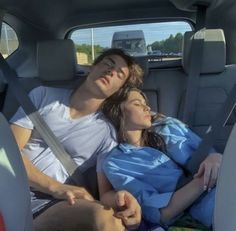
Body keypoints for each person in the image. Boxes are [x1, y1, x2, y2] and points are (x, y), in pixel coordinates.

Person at [10, 49, 143, 231]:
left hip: (47, 204)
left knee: (105, 217)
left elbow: (105, 194)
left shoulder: (107, 134)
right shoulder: (42, 95)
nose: (110, 72)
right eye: (108, 64)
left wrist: (123, 198)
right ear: (92, 67)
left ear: (118, 90)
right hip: (9, 183)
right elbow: (8, 153)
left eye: (119, 74)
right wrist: (56, 187)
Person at [100, 87, 222, 230]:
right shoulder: (116, 163)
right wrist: (203, 181)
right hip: (211, 208)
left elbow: (210, 153)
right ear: (118, 112)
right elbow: (161, 214)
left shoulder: (169, 125)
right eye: (137, 104)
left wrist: (215, 157)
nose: (147, 107)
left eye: (145, 103)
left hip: (227, 181)